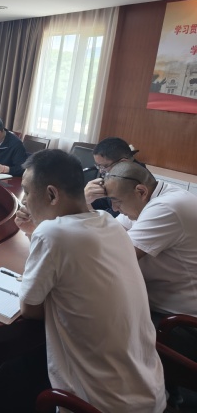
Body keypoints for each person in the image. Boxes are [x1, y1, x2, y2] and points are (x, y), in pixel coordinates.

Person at [15, 149, 166, 412]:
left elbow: (30, 309)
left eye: (27, 192)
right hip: (149, 394)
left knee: (8, 378)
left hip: (100, 404)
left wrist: (38, 231)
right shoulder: (109, 223)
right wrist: (33, 231)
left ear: (52, 194)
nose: (24, 201)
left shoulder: (52, 234)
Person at [102, 161, 197, 318]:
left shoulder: (166, 207)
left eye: (117, 201)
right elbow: (108, 233)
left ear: (141, 191)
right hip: (153, 302)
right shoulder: (146, 200)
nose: (114, 208)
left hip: (177, 317)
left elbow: (117, 258)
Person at [84, 136, 145, 216]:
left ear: (123, 163)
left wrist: (84, 202)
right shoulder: (117, 175)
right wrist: (86, 198)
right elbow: (101, 202)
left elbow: (114, 218)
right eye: (99, 166)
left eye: (104, 166)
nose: (100, 171)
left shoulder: (132, 182)